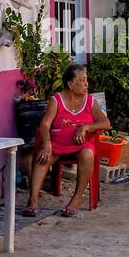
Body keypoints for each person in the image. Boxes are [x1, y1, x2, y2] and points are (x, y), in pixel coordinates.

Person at [25, 64, 112, 217]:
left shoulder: (91, 101)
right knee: (41, 157)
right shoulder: (56, 100)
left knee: (87, 155)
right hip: (58, 144)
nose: (87, 84)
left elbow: (106, 123)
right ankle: (32, 200)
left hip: (81, 145)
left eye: (86, 80)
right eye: (82, 81)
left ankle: (76, 199)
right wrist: (46, 143)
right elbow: (45, 124)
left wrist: (85, 127)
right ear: (70, 84)